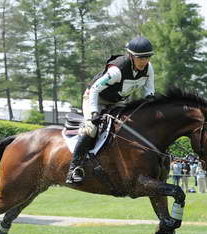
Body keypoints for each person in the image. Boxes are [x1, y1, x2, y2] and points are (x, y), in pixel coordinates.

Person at [66, 36, 155, 184]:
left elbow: (149, 90)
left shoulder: (148, 68)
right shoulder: (117, 71)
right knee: (92, 129)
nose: (144, 61)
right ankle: (74, 168)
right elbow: (94, 89)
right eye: (140, 58)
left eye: (147, 57)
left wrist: (150, 100)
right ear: (131, 56)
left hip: (115, 103)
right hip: (94, 98)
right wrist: (94, 112)